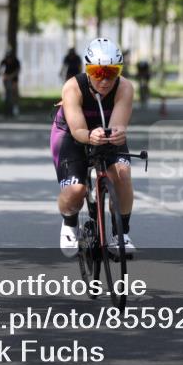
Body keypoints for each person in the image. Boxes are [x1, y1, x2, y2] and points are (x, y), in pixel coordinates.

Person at [52, 38, 136, 257]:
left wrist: (115, 134)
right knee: (76, 191)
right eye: (98, 72)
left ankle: (120, 234)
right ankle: (70, 223)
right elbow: (78, 130)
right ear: (88, 70)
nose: (105, 80)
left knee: (122, 174)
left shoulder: (125, 87)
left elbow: (117, 126)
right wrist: (89, 135)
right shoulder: (72, 87)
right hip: (72, 134)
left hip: (105, 132)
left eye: (112, 72)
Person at [0, 48, 22, 117]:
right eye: (7, 58)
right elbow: (0, 70)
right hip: (6, 77)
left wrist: (11, 76)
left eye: (10, 58)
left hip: (14, 77)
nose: (8, 60)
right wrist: (3, 75)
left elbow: (18, 70)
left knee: (14, 90)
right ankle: (4, 95)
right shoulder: (3, 61)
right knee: (6, 89)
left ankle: (15, 106)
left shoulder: (16, 61)